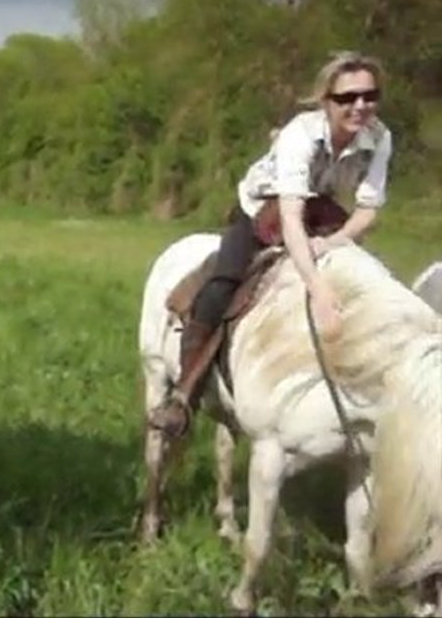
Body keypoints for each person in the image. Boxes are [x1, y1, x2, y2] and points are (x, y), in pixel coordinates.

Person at [150, 51, 393, 439]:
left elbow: (367, 209)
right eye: (346, 98)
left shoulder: (380, 137)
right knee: (223, 283)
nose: (360, 106)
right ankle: (183, 395)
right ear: (326, 101)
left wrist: (332, 243)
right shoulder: (301, 133)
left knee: (370, 277)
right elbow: (290, 215)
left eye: (369, 95)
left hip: (322, 209)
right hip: (267, 207)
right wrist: (318, 290)